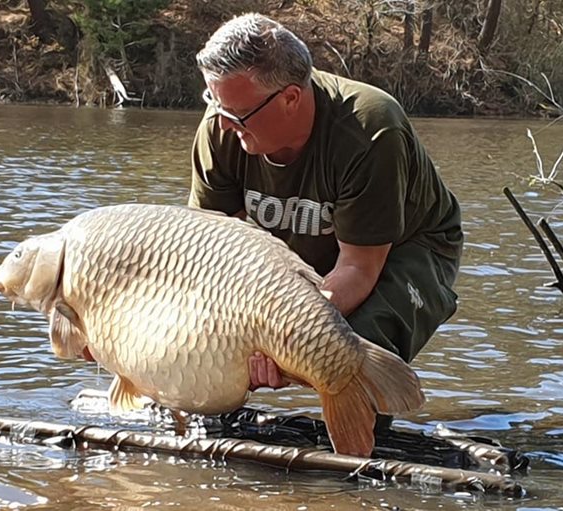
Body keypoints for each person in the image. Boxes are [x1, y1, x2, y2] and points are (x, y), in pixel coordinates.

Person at [188, 13, 463, 424]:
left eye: (238, 113)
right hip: (303, 256)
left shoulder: (371, 129)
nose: (224, 124)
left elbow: (358, 268)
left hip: (405, 251)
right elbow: (204, 257)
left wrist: (284, 337)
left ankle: (356, 472)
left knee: (348, 350)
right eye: (214, 103)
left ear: (291, 98)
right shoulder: (221, 129)